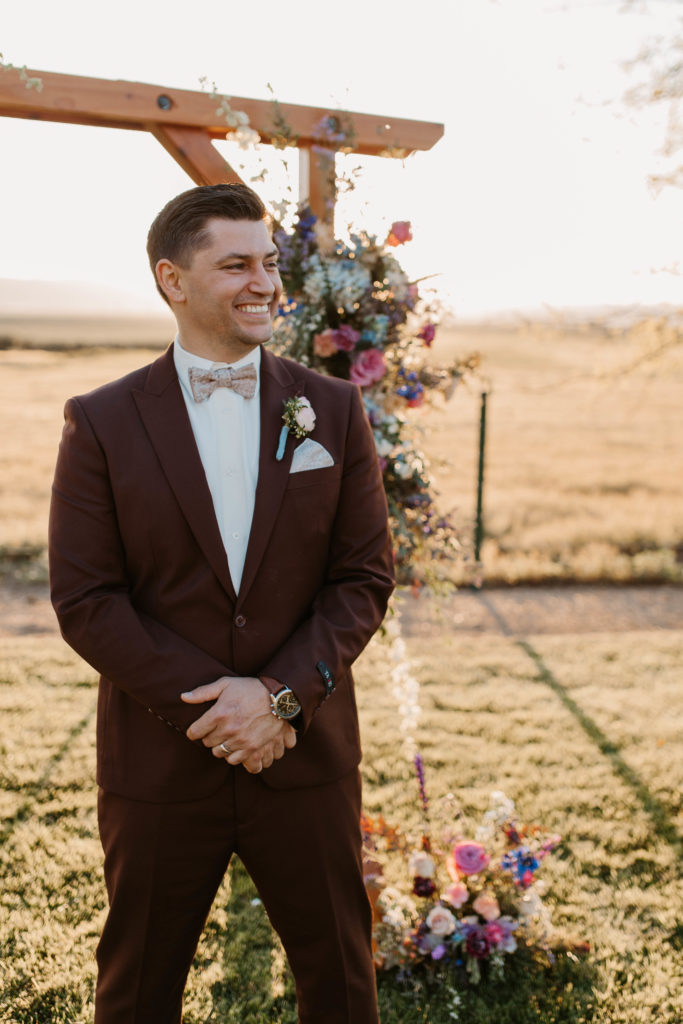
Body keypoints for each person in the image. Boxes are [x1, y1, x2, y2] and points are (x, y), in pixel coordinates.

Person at [48, 182, 395, 1023]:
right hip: (161, 761)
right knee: (137, 988)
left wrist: (278, 699)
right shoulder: (101, 421)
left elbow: (363, 577)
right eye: (235, 264)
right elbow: (86, 597)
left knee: (342, 985)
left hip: (303, 753)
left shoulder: (333, 410)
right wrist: (216, 707)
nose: (264, 284)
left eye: (269, 263)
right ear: (172, 280)